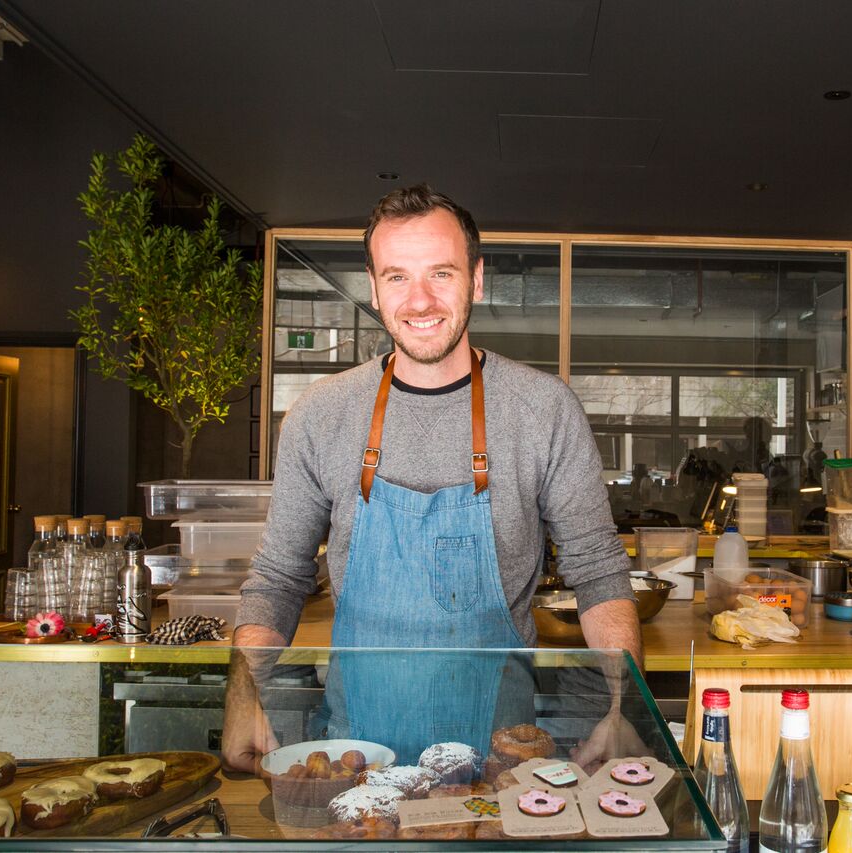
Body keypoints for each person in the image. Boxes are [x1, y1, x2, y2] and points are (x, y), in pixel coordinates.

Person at [223, 185, 640, 772]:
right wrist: (243, 696)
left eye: (440, 274)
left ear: (476, 279)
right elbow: (279, 576)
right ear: (373, 287)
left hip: (503, 760)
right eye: (397, 278)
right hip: (357, 757)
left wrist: (620, 706)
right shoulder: (320, 414)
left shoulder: (543, 409)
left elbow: (597, 569)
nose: (419, 301)